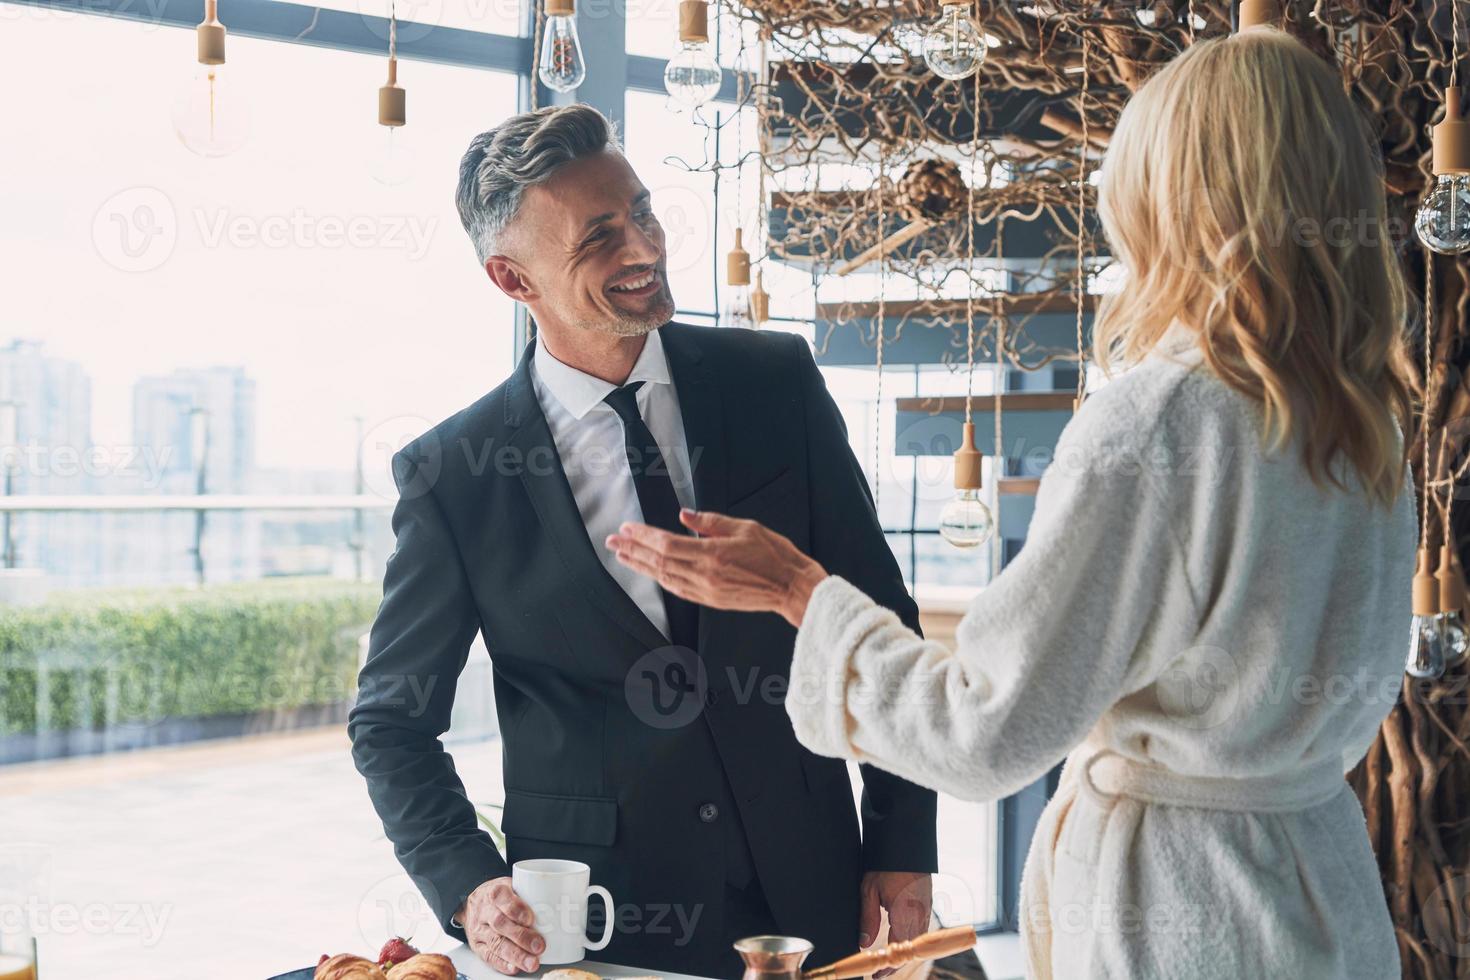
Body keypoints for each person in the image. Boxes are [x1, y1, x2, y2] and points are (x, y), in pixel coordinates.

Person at [608, 28, 1417, 979]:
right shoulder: (1362, 425)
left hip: (1184, 918)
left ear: (1174, 199)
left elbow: (982, 731)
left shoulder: (1161, 424)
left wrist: (800, 592)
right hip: (1324, 900)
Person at [347, 103, 938, 979]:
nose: (644, 249)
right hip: (600, 921)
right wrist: (469, 885)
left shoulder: (775, 383)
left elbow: (879, 620)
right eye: (598, 239)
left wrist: (903, 836)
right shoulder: (454, 475)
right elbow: (392, 722)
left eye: (643, 213)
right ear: (513, 280)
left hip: (810, 884)